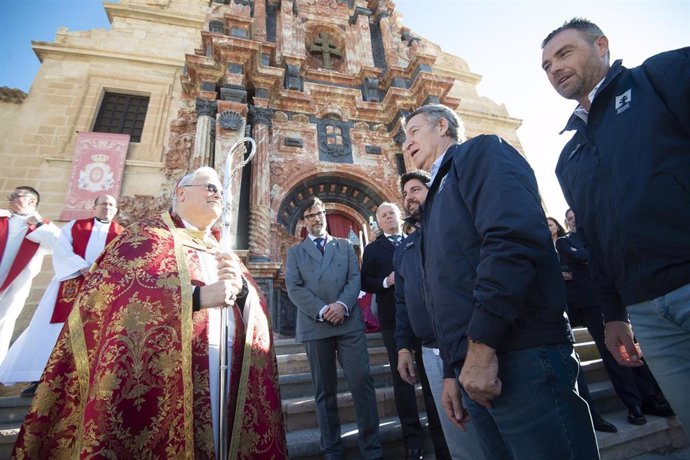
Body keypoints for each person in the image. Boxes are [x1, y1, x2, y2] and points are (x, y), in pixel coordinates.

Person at [12, 167, 287, 459]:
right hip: (167, 372)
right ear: (181, 192)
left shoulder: (222, 249)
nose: (218, 194)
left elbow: (254, 307)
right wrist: (196, 297)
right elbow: (112, 296)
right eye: (210, 187)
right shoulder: (145, 238)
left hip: (227, 371)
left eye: (220, 190)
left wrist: (243, 292)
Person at [402, 103, 599, 459]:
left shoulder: (481, 152)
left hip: (516, 353)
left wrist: (481, 345)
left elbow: (511, 240)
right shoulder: (436, 198)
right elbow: (445, 287)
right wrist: (452, 368)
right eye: (403, 137)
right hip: (472, 363)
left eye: (413, 132)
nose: (406, 143)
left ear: (442, 126)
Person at [542, 18, 690, 428]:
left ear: (601, 45)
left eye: (564, 53)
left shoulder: (659, 78)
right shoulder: (567, 158)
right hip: (646, 314)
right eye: (547, 65)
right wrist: (614, 315)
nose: (554, 68)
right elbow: (593, 238)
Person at [394, 171, 486, 460]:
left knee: (488, 427)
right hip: (430, 349)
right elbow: (401, 301)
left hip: (470, 344)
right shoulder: (404, 248)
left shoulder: (451, 229)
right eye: (405, 193)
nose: (410, 197)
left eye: (416, 189)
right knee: (458, 432)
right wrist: (402, 346)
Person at [556, 208, 674, 426]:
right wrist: (590, 253)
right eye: (570, 219)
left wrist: (587, 254)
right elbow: (580, 255)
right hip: (591, 305)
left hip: (617, 300)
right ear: (567, 222)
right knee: (612, 355)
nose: (573, 221)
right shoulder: (564, 242)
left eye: (576, 217)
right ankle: (633, 404)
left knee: (635, 349)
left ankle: (652, 397)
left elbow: (597, 255)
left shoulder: (595, 235)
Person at [286, 197, 382, 460]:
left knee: (362, 382)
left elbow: (355, 278)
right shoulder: (295, 253)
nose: (316, 219)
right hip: (315, 325)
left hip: (348, 323)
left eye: (320, 213)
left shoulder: (344, 246)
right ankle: (332, 450)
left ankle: (372, 449)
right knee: (324, 391)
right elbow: (294, 287)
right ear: (304, 222)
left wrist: (341, 305)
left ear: (325, 215)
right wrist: (322, 310)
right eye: (310, 216)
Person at [0, 194, 124, 397]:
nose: (107, 208)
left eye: (111, 205)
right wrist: (81, 268)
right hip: (69, 283)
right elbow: (61, 249)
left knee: (91, 332)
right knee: (51, 330)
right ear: (94, 207)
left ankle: (79, 382)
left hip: (100, 289)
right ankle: (38, 378)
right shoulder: (75, 226)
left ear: (116, 209)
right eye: (103, 204)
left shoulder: (121, 233)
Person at [361, 202, 445, 460]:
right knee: (403, 378)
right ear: (378, 221)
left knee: (432, 376)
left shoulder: (415, 240)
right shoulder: (373, 250)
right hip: (392, 320)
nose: (388, 217)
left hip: (424, 316)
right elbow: (365, 282)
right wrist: (387, 281)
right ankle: (413, 439)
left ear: (399, 217)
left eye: (391, 213)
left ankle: (441, 436)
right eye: (383, 215)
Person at [0, 186, 60, 363]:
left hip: (16, 284)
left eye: (16, 196)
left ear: (32, 201)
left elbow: (58, 245)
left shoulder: (43, 225)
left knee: (4, 322)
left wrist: (38, 224)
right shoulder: (3, 217)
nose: (10, 198)